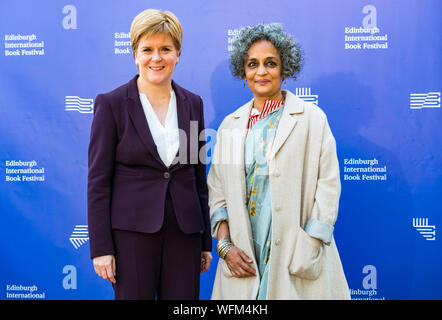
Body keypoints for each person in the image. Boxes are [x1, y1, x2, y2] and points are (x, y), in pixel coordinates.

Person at [208, 23, 350, 299]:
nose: (261, 72)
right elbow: (217, 193)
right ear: (243, 71)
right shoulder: (230, 126)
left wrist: (309, 243)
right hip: (245, 254)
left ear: (285, 68)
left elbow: (328, 186)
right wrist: (225, 247)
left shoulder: (311, 119)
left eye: (270, 63)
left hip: (296, 252)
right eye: (253, 64)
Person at [87, 9, 212, 300]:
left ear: (178, 54)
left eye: (165, 49)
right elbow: (98, 183)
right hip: (131, 236)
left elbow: (198, 178)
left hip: (185, 234)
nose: (156, 58)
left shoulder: (193, 104)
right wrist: (101, 248)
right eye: (148, 49)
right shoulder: (112, 104)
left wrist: (205, 239)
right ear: (135, 54)